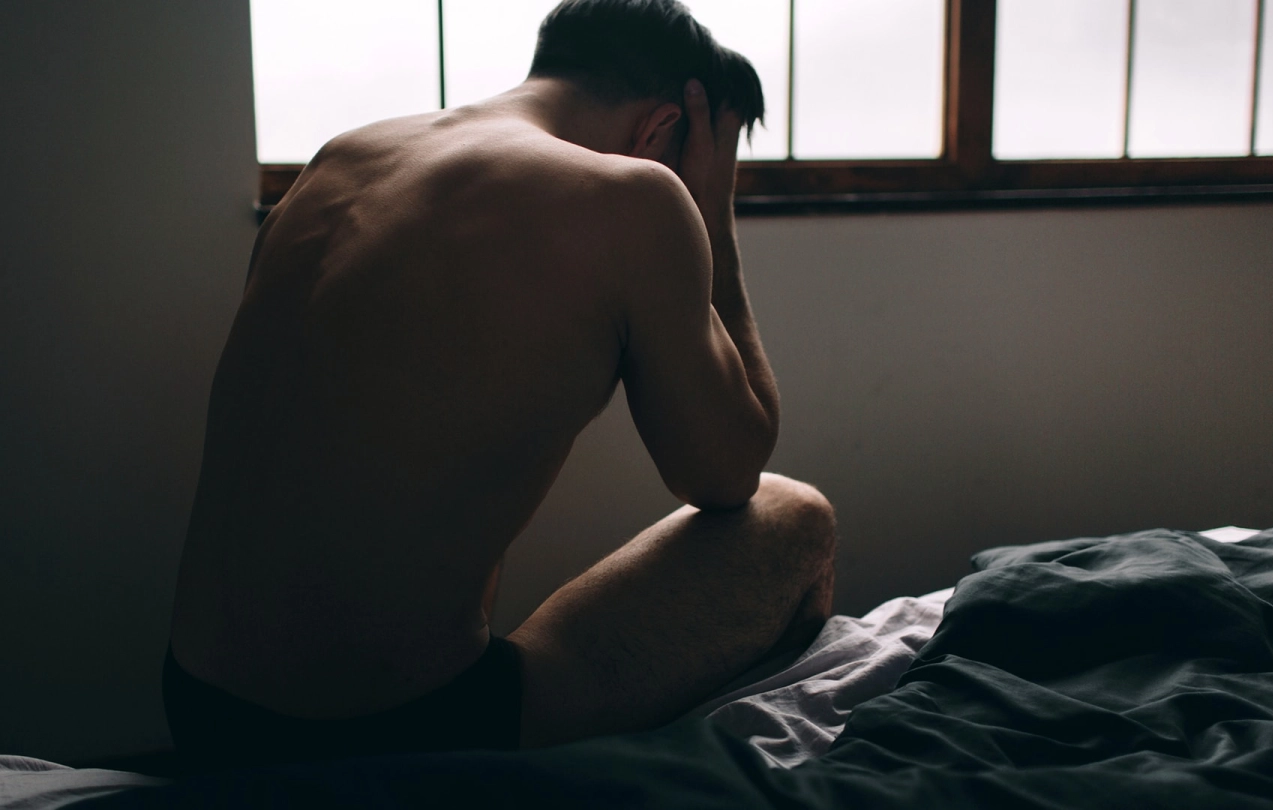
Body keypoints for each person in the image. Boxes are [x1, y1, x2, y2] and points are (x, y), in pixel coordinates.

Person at [165, 0, 836, 768]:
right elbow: (730, 470)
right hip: (384, 731)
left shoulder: (344, 156)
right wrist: (711, 217)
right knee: (798, 517)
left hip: (197, 707)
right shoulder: (637, 199)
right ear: (659, 130)